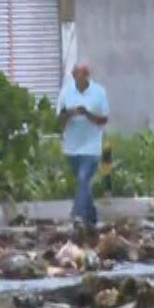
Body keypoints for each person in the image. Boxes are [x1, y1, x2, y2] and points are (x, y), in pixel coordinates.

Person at [58, 62, 110, 230]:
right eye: (76, 75)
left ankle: (77, 216)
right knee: (83, 183)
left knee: (82, 178)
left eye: (83, 75)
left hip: (91, 147)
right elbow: (59, 119)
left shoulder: (99, 92)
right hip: (72, 146)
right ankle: (92, 216)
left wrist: (87, 114)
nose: (79, 78)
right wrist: (71, 113)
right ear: (73, 76)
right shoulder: (66, 91)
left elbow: (104, 119)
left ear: (88, 76)